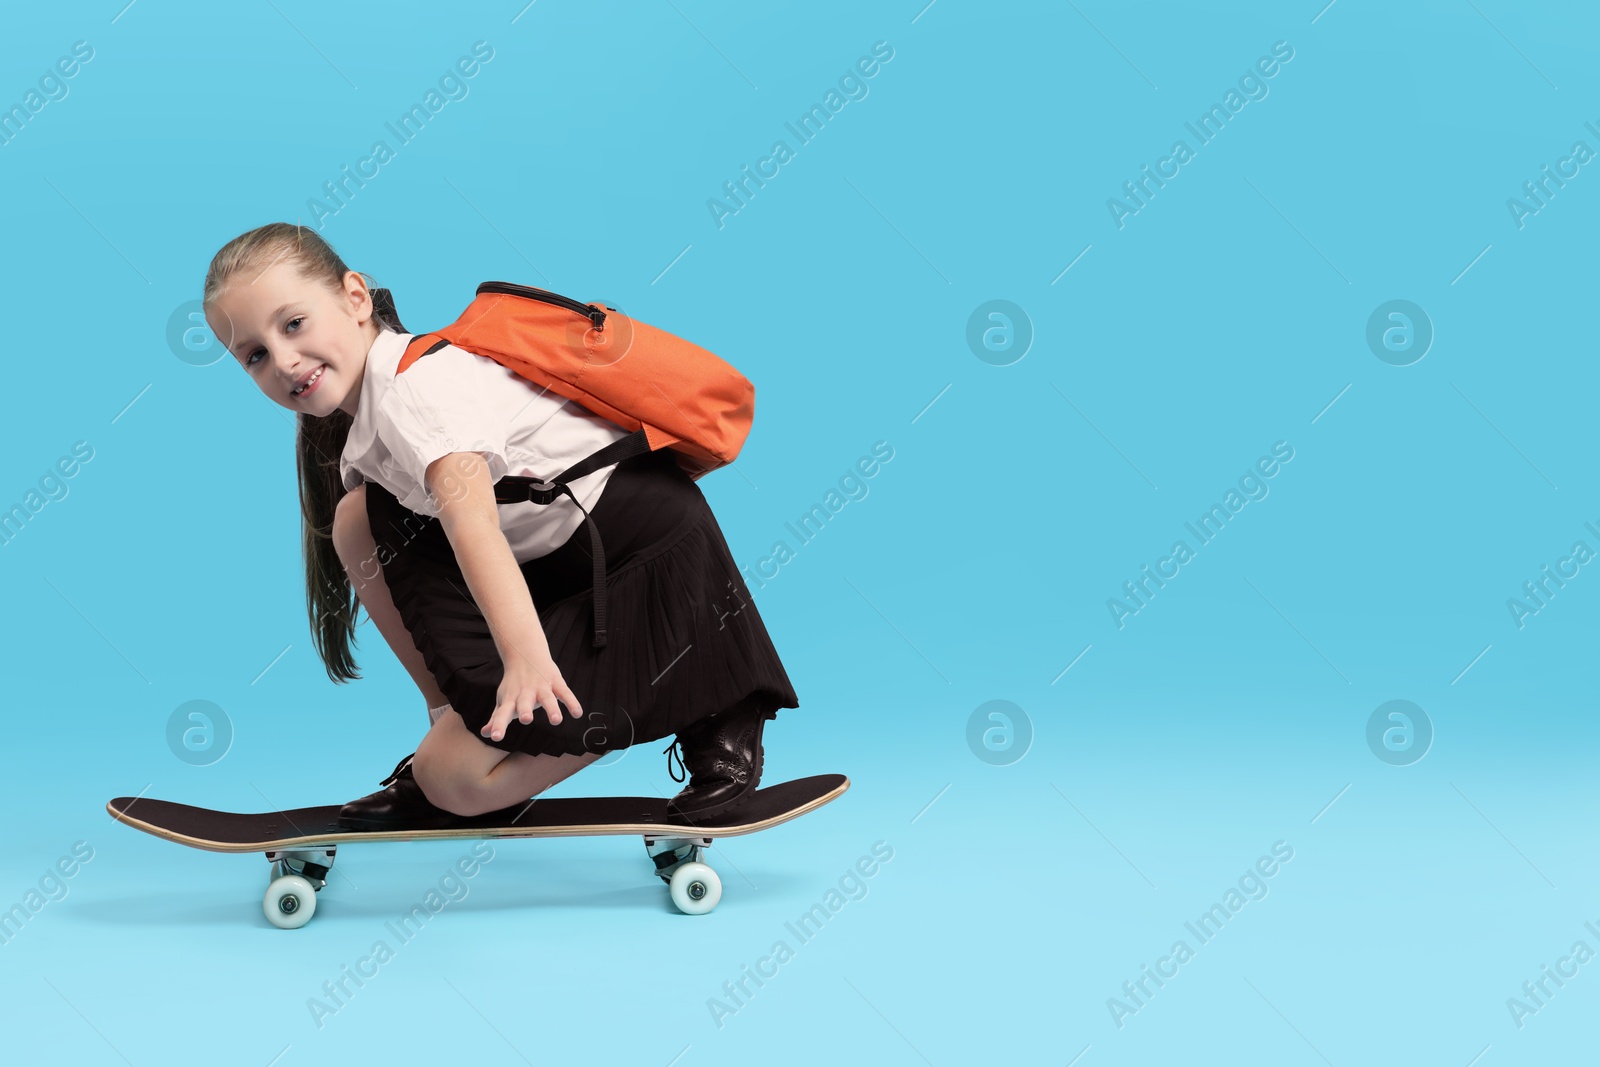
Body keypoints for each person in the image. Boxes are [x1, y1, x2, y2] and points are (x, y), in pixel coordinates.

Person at [200, 222, 799, 829]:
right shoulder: (366, 438)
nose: (284, 360)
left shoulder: (418, 391)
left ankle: (709, 699)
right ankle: (450, 725)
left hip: (647, 564)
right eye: (254, 355)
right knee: (356, 518)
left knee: (453, 780)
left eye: (293, 324)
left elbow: (475, 528)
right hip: (560, 568)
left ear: (356, 297)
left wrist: (527, 659)